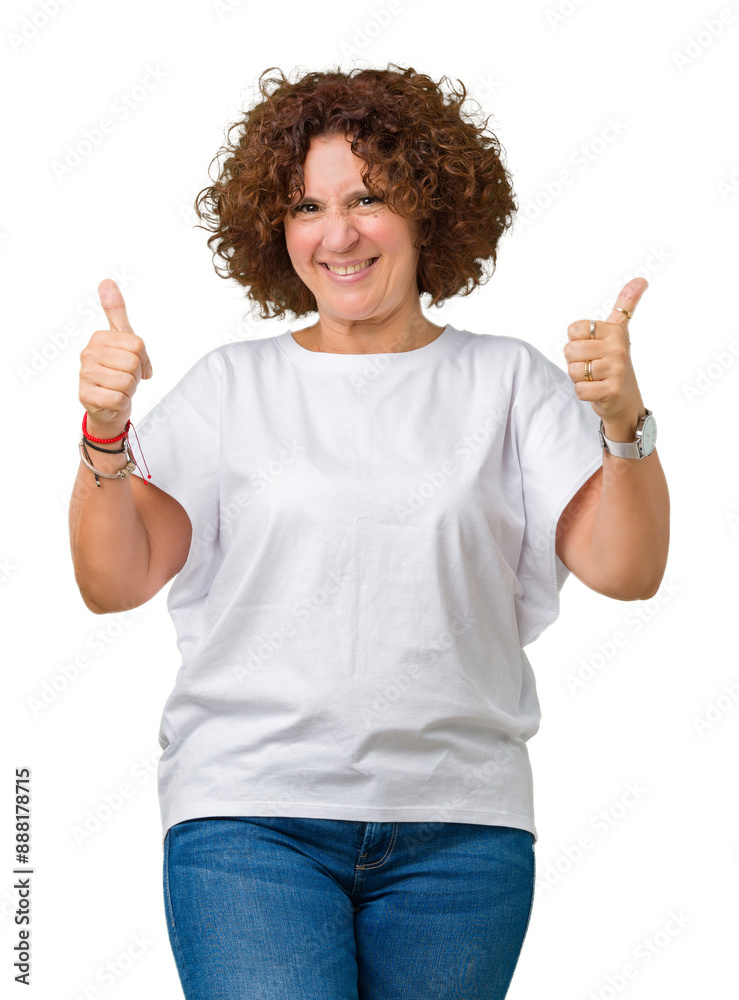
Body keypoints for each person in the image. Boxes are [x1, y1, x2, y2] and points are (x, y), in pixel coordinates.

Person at [68, 63, 670, 1000]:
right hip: (250, 819)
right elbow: (115, 579)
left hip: (461, 831)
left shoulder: (506, 383)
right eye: (306, 207)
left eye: (369, 198)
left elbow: (626, 571)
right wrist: (105, 435)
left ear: (432, 209)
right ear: (276, 227)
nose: (336, 234)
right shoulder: (232, 387)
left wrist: (623, 425)